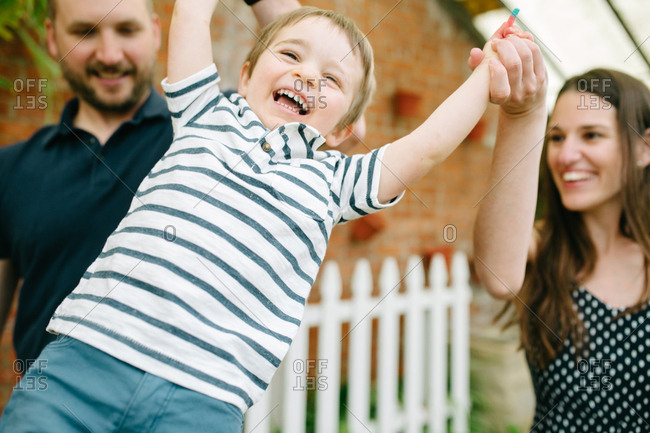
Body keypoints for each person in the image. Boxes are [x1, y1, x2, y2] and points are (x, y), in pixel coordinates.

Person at [0, 2, 541, 431]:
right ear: (246, 72)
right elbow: (192, 15)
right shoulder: (203, 116)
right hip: (83, 363)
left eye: (332, 80)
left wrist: (487, 75)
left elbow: (425, 145)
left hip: (202, 402)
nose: (309, 76)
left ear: (343, 130)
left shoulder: (335, 181)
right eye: (291, 56)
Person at [0, 0, 301, 376]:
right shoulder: (10, 168)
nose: (109, 55)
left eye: (127, 30)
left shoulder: (218, 134)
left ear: (156, 32)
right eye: (84, 33)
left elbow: (329, 116)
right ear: (52, 38)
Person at [474, 67, 650, 431]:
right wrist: (521, 115)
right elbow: (496, 275)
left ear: (643, 148)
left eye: (591, 135)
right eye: (556, 138)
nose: (566, 155)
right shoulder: (541, 246)